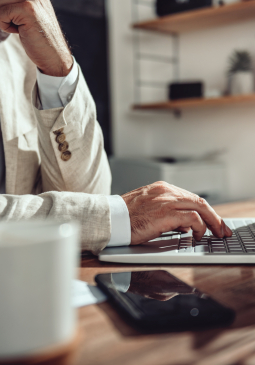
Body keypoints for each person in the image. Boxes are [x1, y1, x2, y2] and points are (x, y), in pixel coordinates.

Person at [0, 0, 232, 255]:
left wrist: (58, 70)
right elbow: (96, 213)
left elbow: (86, 196)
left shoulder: (21, 49)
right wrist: (116, 217)